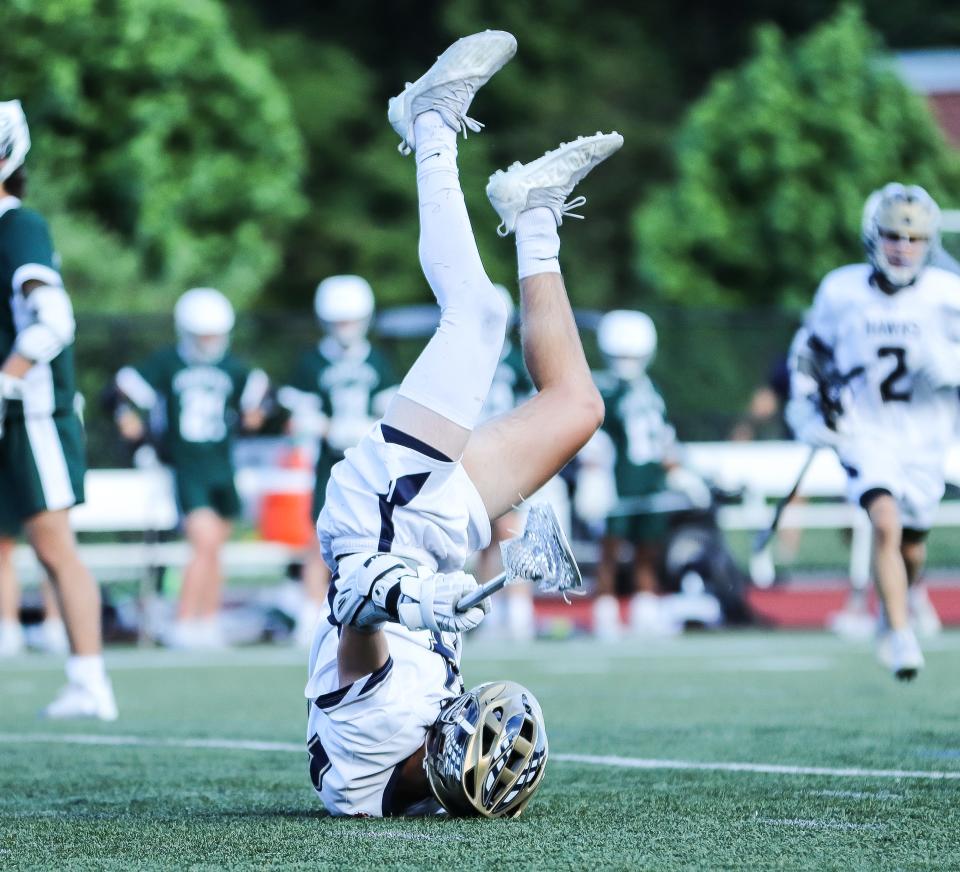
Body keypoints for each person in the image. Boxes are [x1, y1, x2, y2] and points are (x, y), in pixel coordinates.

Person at [305, 31, 619, 817]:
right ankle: (535, 213)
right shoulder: (420, 788)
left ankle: (430, 124)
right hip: (435, 534)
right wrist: (455, 587)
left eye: (474, 729)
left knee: (476, 315)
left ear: (444, 757)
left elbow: (352, 606)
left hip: (379, 520)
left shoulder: (366, 755)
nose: (471, 711)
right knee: (577, 409)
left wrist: (413, 601)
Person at [786, 182, 960, 680]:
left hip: (927, 437)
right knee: (885, 521)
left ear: (930, 243)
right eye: (892, 236)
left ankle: (895, 607)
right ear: (873, 236)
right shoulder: (841, 290)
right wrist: (804, 412)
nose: (902, 247)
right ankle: (901, 636)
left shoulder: (948, 295)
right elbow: (809, 353)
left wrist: (954, 366)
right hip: (867, 431)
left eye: (914, 238)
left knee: (911, 544)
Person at [0, 99, 117, 718]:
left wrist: (6, 379)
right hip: (13, 412)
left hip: (31, 416)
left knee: (53, 546)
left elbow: (53, 320)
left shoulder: (17, 225)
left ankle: (90, 681)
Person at [114, 287, 269, 648]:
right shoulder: (168, 362)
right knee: (203, 542)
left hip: (222, 464)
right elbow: (120, 391)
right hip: (186, 465)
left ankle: (208, 620)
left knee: (216, 547)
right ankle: (185, 620)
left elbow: (261, 396)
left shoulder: (231, 366)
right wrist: (129, 419)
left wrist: (256, 415)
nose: (211, 341)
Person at [279, 276, 396, 646]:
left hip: (370, 464)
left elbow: (392, 411)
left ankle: (376, 614)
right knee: (318, 539)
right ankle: (310, 613)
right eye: (339, 322)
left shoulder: (377, 360)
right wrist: (321, 425)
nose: (345, 329)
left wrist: (365, 426)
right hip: (328, 465)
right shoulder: (311, 362)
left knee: (375, 539)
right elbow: (293, 416)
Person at [579, 309, 679, 639]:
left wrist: (676, 469)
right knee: (609, 551)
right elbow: (592, 440)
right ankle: (605, 611)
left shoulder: (650, 388)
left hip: (649, 481)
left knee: (648, 549)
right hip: (617, 484)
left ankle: (645, 608)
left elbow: (662, 436)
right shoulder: (603, 389)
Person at [471, 283, 538, 641]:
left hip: (507, 455)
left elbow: (533, 409)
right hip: (473, 456)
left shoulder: (516, 361)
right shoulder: (465, 358)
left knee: (510, 531)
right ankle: (487, 608)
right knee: (484, 537)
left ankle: (517, 607)